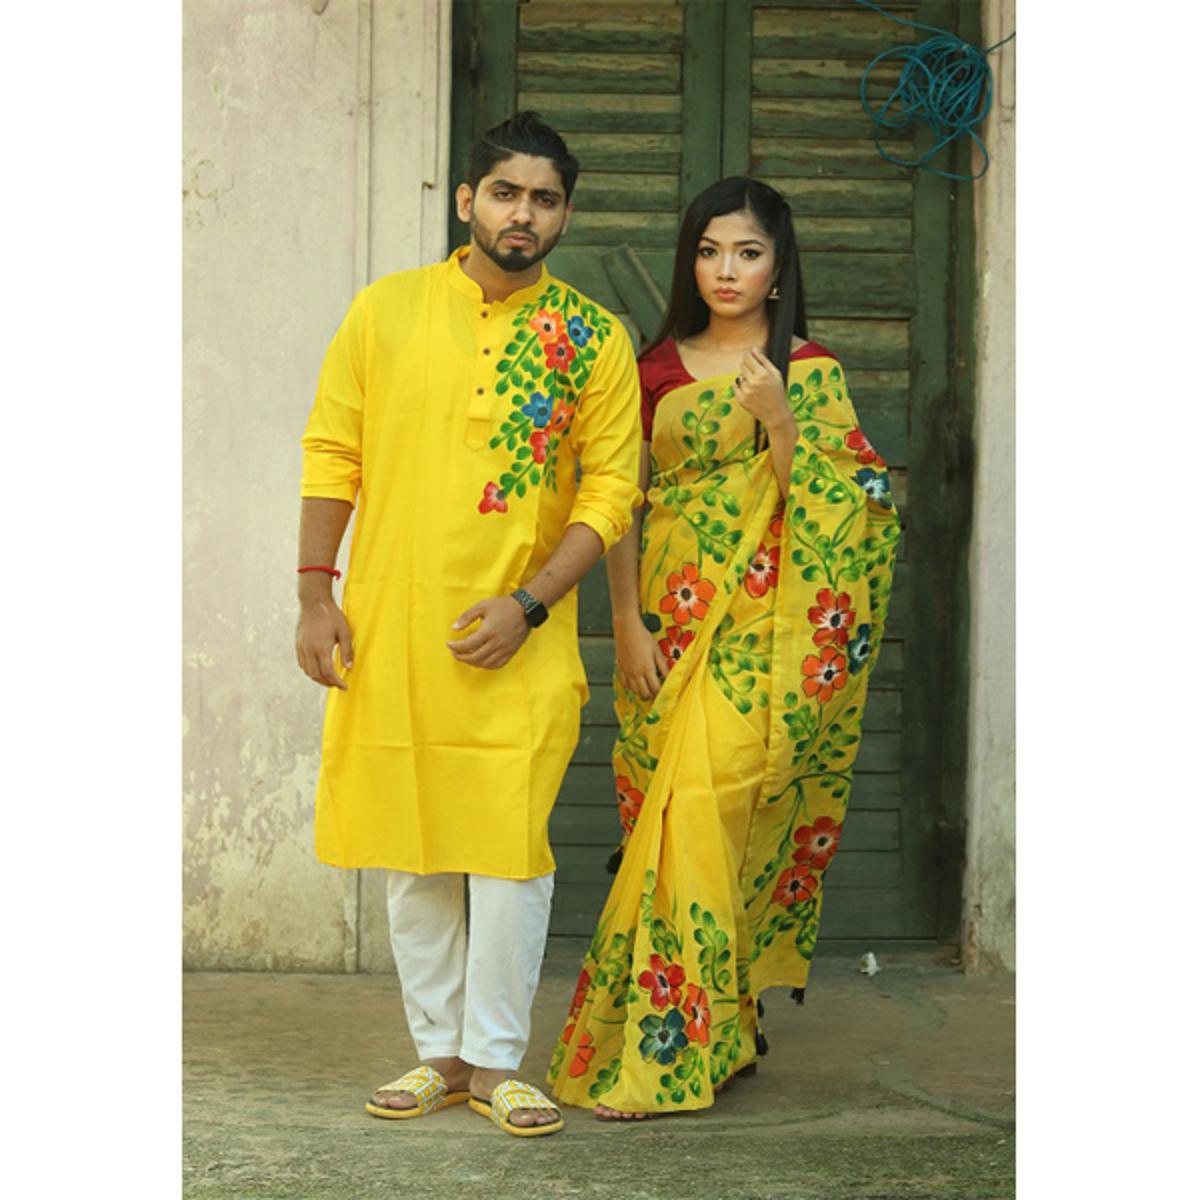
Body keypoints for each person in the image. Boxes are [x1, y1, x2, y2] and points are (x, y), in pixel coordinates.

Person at [295, 111, 642, 1137]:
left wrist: (529, 605)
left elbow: (612, 490)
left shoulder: (592, 337)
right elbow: (333, 452)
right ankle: (437, 1056)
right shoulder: (386, 312)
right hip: (397, 624)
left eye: (543, 198)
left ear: (565, 215)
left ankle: (496, 1062)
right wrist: (315, 594)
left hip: (521, 637)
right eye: (504, 193)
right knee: (414, 844)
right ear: (466, 201)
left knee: (508, 848)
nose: (522, 213)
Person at [545, 177, 901, 1118]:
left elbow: (859, 511)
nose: (726, 270)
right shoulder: (653, 368)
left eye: (747, 252)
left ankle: (664, 1060)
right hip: (668, 628)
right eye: (709, 251)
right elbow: (622, 502)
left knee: (702, 817)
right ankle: (726, 1032)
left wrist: (781, 418)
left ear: (779, 268)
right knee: (669, 826)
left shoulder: (808, 370)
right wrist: (625, 623)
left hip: (770, 641)